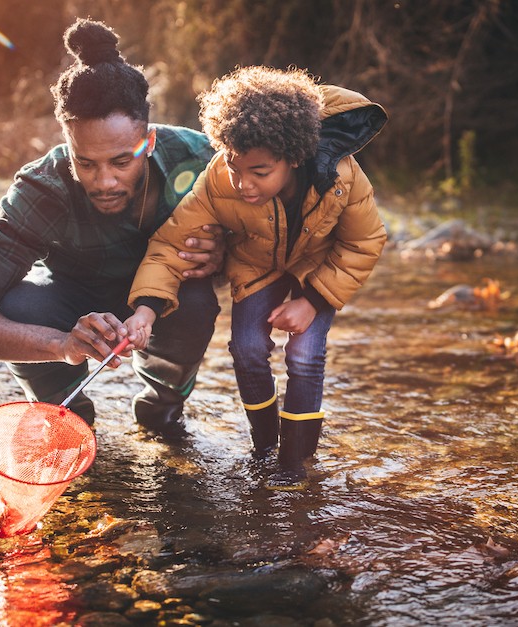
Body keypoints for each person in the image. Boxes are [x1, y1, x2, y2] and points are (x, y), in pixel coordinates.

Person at [0, 18, 223, 438]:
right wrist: (59, 345)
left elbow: (275, 230)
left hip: (168, 302)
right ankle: (70, 421)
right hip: (69, 303)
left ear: (150, 141)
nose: (104, 182)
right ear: (67, 142)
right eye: (85, 162)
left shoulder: (200, 160)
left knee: (197, 302)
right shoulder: (42, 188)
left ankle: (162, 408)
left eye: (122, 161)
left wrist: (223, 255)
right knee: (21, 305)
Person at [122, 66, 388, 490]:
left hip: (316, 271)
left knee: (304, 354)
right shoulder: (217, 181)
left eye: (259, 172)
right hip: (255, 266)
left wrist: (314, 302)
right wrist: (146, 310)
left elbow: (365, 242)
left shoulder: (342, 178)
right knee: (245, 348)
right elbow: (171, 244)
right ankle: (264, 448)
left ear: (294, 157)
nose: (243, 184)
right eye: (234, 167)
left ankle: (295, 461)